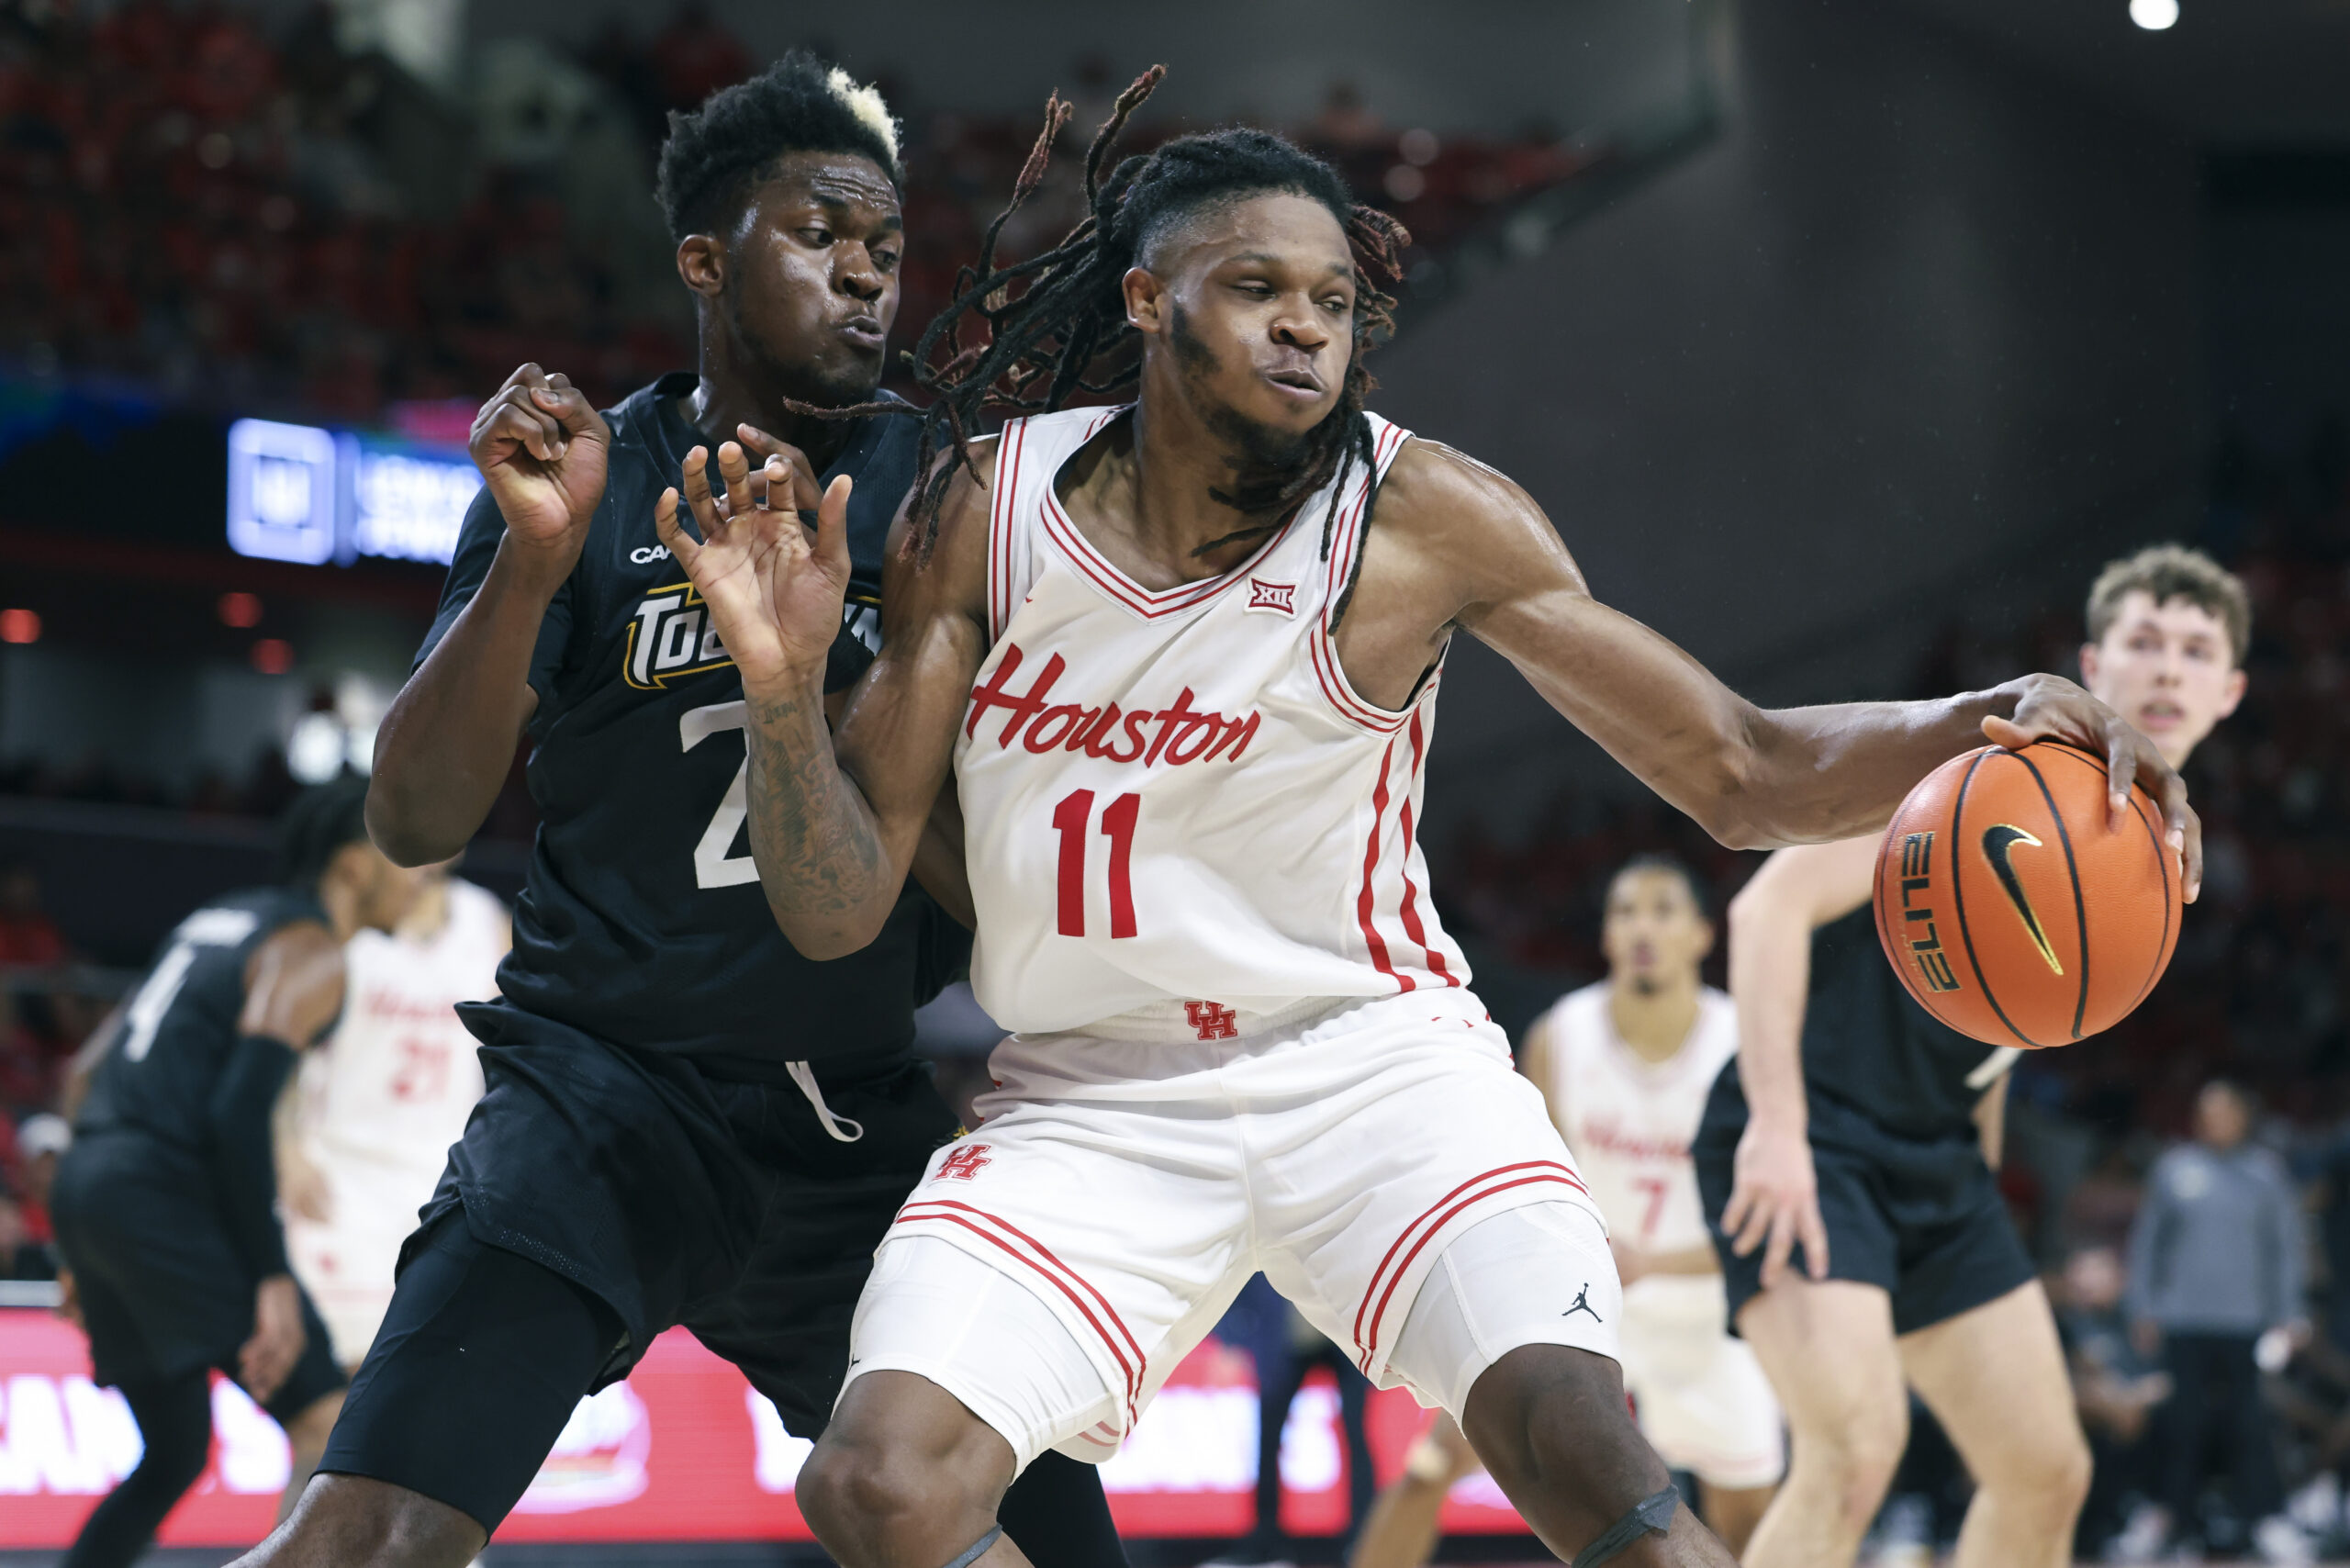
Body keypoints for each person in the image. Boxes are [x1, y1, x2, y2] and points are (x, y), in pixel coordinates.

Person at [664, 71, 2194, 1568]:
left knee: (1581, 1445)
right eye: (1257, 285)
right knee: (877, 1484)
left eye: (1331, 299)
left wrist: (1985, 717)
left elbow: (1742, 766)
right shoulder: (982, 510)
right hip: (1093, 1091)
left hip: (1374, 1061)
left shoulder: (1424, 517)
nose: (1304, 325)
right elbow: (836, 903)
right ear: (1144, 300)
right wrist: (788, 694)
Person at [234, 55, 1123, 1568]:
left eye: (886, 248)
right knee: (356, 1546)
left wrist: (851, 679)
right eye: (820, 235)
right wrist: (529, 561)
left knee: (1040, 1549)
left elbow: (1008, 883)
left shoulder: (942, 496)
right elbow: (414, 820)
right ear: (706, 261)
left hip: (849, 1109)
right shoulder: (591, 481)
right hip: (601, 1098)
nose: (865, 275)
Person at [1696, 543, 2250, 1568]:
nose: (2168, 668)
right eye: (2144, 641)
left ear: (2230, 689)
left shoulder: (2145, 845)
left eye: (2195, 649)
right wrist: (1778, 1129)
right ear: (2093, 662)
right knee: (1854, 1453)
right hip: (1814, 1135)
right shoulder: (2000, 770)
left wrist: (1979, 1173)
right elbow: (1767, 907)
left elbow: (1994, 1038)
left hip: (1935, 1157)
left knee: (2047, 1471)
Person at [49, 779, 428, 1568]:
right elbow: (235, 1114)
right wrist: (272, 1279)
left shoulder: (219, 920)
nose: (423, 877)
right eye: (409, 861)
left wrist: (82, 1237)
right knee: (325, 1421)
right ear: (356, 867)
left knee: (176, 1451)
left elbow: (83, 1076)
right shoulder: (312, 948)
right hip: (160, 1193)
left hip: (96, 1183)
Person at [280, 862, 506, 1371]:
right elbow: (281, 1048)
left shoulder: (486, 921)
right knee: (341, 1385)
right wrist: (285, 1149)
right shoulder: (343, 919)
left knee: (433, 1378)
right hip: (340, 1180)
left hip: (446, 1180)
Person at [2128, 1078, 2309, 1559]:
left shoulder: (2266, 1174)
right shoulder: (2174, 1168)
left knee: (2250, 1423)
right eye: (2206, 1112)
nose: (2215, 1121)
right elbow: (2148, 1244)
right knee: (2181, 1423)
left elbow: (2284, 1250)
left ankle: (2262, 1519)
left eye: (2224, 1111)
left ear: (2242, 1116)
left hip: (2246, 1321)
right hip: (2183, 1319)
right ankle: (2173, 1521)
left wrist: (2289, 1313)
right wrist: (2143, 1306)